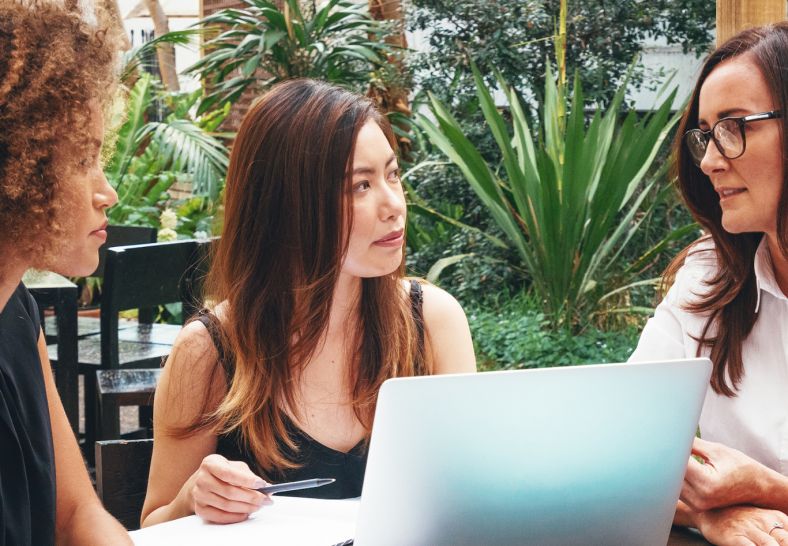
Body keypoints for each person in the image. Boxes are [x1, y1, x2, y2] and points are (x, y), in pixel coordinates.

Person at [140, 79, 476, 527]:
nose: (394, 204)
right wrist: (192, 499)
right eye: (360, 186)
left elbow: (471, 503)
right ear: (288, 207)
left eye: (392, 175)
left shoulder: (431, 321)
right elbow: (154, 526)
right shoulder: (210, 351)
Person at [629, 22, 788, 546]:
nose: (711, 159)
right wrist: (709, 516)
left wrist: (768, 489)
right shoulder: (709, 275)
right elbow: (622, 449)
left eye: (735, 125)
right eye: (706, 133)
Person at [0, 2, 132, 544]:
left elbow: (77, 514)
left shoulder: (17, 316)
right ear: (17, 165)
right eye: (84, 159)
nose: (108, 193)